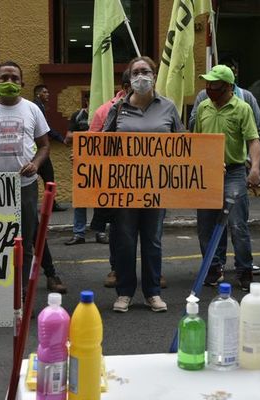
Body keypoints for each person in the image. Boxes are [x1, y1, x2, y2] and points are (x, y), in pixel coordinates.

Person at [0, 61, 66, 293]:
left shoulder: (32, 109)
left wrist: (36, 163)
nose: (9, 82)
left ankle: (21, 296)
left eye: (14, 78)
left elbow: (44, 146)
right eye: (4, 78)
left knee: (25, 242)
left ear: (22, 82)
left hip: (25, 187)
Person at [102, 56, 184, 313]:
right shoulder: (118, 109)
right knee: (125, 240)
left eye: (145, 71)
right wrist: (83, 156)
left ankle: (152, 293)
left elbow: (185, 145)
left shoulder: (169, 108)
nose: (141, 76)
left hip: (157, 187)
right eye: (135, 72)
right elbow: (102, 143)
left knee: (153, 241)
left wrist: (211, 164)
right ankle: (125, 292)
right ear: (129, 79)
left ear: (154, 75)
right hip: (124, 187)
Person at [189, 56, 260, 276]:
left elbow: (254, 140)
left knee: (237, 225)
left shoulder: (243, 108)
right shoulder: (203, 107)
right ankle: (213, 268)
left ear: (228, 86)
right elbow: (196, 141)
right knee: (205, 226)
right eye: (208, 83)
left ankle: (244, 270)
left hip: (233, 172)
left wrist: (254, 169)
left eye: (214, 84)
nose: (209, 88)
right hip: (207, 173)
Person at [64, 94, 109, 246]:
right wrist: (90, 136)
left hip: (101, 163)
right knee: (80, 199)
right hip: (81, 164)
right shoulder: (78, 115)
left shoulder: (106, 113)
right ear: (88, 101)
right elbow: (69, 135)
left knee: (100, 198)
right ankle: (79, 233)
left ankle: (100, 232)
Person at [33, 84, 67, 212]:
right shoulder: (36, 107)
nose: (48, 95)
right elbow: (46, 128)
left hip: (36, 149)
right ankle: (50, 204)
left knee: (47, 177)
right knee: (48, 177)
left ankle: (51, 203)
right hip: (38, 150)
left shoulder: (39, 106)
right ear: (38, 94)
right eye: (45, 92)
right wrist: (61, 138)